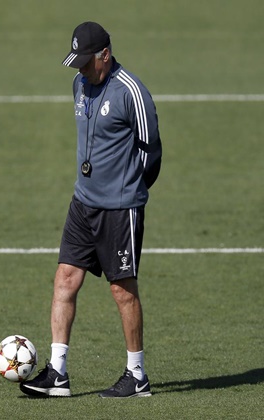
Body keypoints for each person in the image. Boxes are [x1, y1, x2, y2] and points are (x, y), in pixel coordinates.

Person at [19, 21, 162, 398]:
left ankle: (137, 376)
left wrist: (129, 189)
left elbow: (152, 151)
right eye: (77, 64)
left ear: (105, 55)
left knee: (122, 289)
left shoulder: (132, 91)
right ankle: (58, 374)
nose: (81, 70)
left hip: (120, 209)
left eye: (86, 63)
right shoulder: (79, 85)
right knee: (65, 278)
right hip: (82, 203)